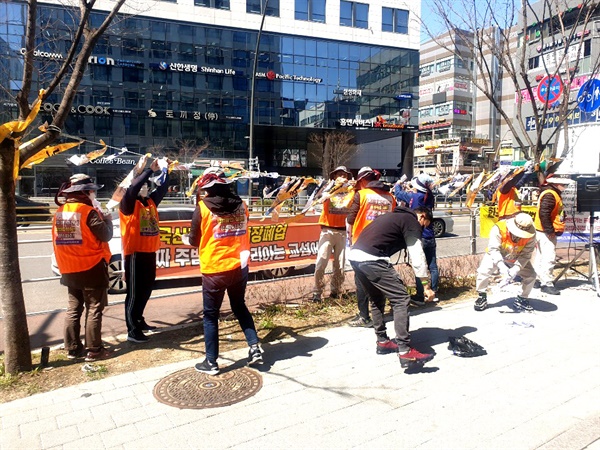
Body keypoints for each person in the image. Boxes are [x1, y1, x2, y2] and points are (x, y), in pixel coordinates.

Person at [187, 168, 262, 375]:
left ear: (208, 188)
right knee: (239, 306)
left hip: (215, 269)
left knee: (211, 316)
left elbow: (194, 240)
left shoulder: (202, 208)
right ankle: (254, 347)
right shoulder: (242, 205)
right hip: (239, 266)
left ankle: (211, 362)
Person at [347, 206, 435, 368]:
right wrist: (425, 285)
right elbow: (417, 253)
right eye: (425, 224)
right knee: (401, 299)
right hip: (372, 258)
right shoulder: (411, 221)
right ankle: (405, 351)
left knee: (376, 298)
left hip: (355, 256)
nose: (423, 228)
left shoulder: (393, 216)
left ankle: (382, 342)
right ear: (422, 216)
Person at [52, 174, 113, 362]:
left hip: (68, 267)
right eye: (92, 190)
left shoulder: (60, 212)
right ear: (85, 192)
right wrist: (108, 220)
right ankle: (94, 350)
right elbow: (106, 236)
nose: (94, 193)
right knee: (94, 307)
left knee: (74, 308)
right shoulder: (88, 212)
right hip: (91, 265)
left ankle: (72, 348)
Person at [120, 158, 169, 343]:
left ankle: (139, 320)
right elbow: (133, 189)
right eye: (142, 185)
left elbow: (163, 188)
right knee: (134, 292)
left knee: (146, 289)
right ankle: (132, 330)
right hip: (135, 254)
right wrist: (149, 170)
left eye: (147, 186)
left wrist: (167, 169)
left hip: (149, 253)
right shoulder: (128, 204)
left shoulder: (150, 202)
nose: (144, 188)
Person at [346, 166, 396, 327]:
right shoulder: (390, 196)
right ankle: (379, 313)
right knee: (381, 279)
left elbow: (350, 220)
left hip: (362, 244)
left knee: (361, 280)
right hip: (383, 244)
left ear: (362, 180)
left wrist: (349, 242)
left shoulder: (361, 195)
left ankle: (364, 316)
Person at [474, 213, 537, 312]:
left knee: (531, 275)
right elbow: (493, 249)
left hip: (516, 256)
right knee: (483, 271)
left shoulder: (531, 235)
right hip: (497, 254)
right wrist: (501, 266)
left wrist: (516, 269)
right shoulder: (499, 228)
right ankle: (482, 295)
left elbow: (526, 254)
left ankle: (522, 298)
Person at [394, 173, 439, 306]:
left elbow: (398, 193)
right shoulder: (429, 196)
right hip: (430, 235)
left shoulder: (414, 196)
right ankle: (434, 292)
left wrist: (399, 183)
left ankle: (420, 296)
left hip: (419, 236)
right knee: (433, 266)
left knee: (420, 266)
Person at [311, 165, 354, 302]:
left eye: (345, 175)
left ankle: (336, 291)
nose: (342, 177)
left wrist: (354, 185)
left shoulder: (350, 190)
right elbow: (318, 198)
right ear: (334, 176)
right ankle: (317, 292)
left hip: (342, 231)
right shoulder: (327, 188)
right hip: (327, 230)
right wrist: (331, 187)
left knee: (340, 265)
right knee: (321, 262)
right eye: (339, 174)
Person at [533, 175, 574, 295]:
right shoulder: (550, 195)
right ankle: (547, 283)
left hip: (542, 231)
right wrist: (549, 230)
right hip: (545, 232)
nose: (565, 187)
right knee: (548, 257)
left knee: (541, 257)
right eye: (564, 184)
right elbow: (544, 214)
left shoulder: (550, 193)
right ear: (556, 184)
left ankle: (538, 280)